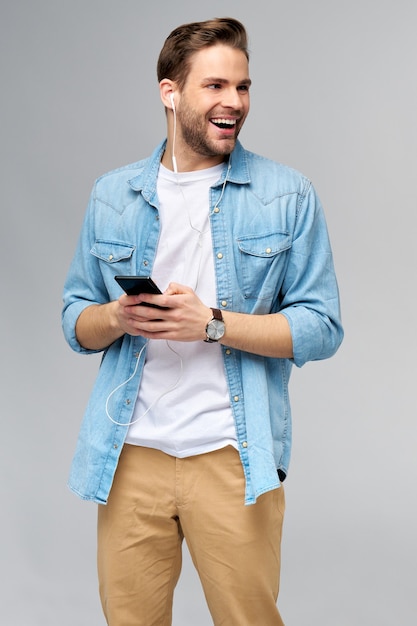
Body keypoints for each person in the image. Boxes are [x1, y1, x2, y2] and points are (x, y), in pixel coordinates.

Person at [62, 17, 343, 626]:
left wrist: (211, 324)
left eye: (242, 88)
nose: (234, 103)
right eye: (215, 86)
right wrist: (117, 315)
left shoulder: (286, 193)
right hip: (129, 453)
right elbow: (74, 322)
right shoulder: (112, 195)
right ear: (171, 93)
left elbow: (321, 327)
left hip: (232, 455)